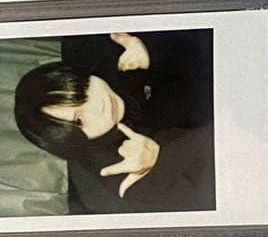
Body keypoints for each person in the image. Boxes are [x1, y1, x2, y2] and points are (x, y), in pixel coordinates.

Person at [13, 29, 214, 214]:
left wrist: (153, 53)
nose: (98, 106)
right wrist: (161, 159)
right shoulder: (120, 170)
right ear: (71, 141)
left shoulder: (103, 50)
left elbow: (208, 41)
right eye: (79, 119)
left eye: (82, 91)